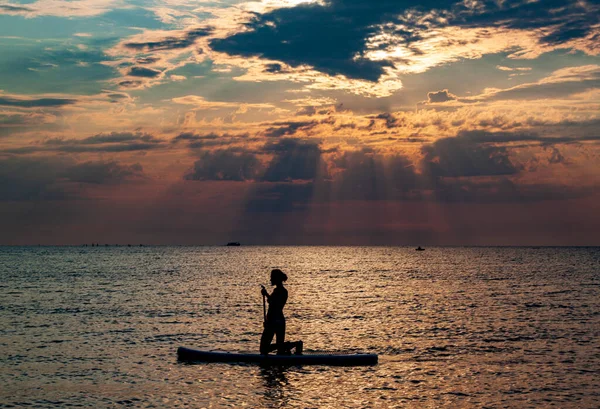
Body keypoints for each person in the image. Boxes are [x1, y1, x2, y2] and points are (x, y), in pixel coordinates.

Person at [260, 269, 303, 355]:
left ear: (276, 279)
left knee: (265, 349)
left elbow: (275, 304)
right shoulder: (276, 290)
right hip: (274, 320)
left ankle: (294, 345)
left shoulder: (283, 291)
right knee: (275, 349)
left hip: (276, 321)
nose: (270, 280)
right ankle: (292, 345)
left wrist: (266, 294)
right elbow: (272, 302)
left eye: (272, 278)